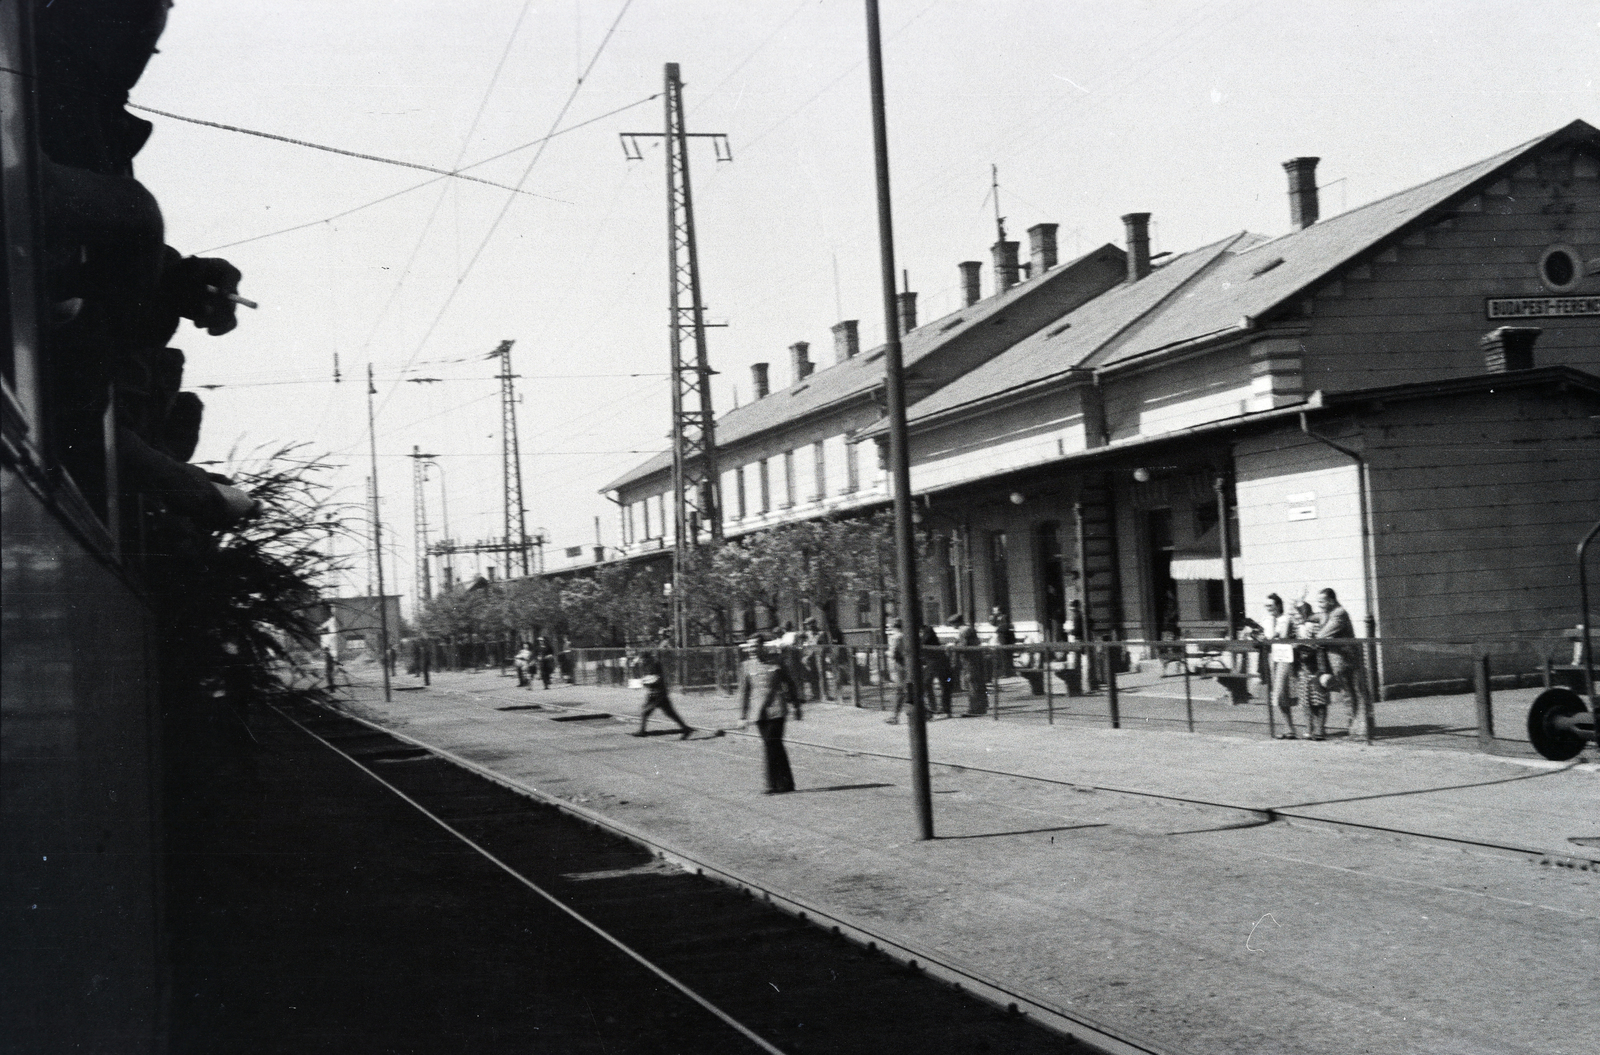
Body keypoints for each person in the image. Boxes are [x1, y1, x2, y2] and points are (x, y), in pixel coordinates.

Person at [739, 635, 801, 793]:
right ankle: (787, 784)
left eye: (755, 646)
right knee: (775, 745)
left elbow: (790, 683)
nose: (752, 650)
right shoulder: (746, 666)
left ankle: (771, 784)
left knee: (771, 745)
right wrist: (742, 716)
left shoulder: (777, 662)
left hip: (777, 710)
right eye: (750, 647)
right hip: (759, 714)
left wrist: (796, 705)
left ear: (762, 647)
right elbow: (744, 693)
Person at [1315, 588, 1373, 741]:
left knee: (1355, 693)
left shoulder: (1339, 613)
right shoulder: (1328, 614)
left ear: (1331, 600)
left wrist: (1318, 634)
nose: (1319, 604)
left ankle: (1362, 730)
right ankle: (1355, 729)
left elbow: (1322, 635)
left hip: (1348, 661)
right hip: (1338, 662)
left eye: (1322, 601)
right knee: (1348, 695)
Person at [1262, 594, 1299, 739]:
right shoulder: (1268, 620)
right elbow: (1267, 638)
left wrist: (1270, 625)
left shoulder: (1285, 619)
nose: (1268, 609)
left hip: (1285, 657)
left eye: (1270, 606)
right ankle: (1289, 729)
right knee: (1279, 695)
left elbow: (1277, 636)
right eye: (1266, 606)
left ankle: (1298, 729)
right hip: (1273, 657)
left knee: (1281, 692)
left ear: (1278, 605)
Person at [634, 650, 693, 739]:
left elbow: (656, 678)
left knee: (645, 711)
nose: (641, 661)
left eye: (642, 659)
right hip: (654, 692)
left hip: (658, 693)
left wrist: (643, 681)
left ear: (647, 658)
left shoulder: (654, 664)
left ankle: (642, 731)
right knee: (670, 713)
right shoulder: (649, 665)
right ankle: (685, 729)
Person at [1293, 601, 1329, 740]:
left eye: (1298, 613)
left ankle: (1320, 728)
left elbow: (1319, 644)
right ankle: (1309, 727)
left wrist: (1309, 648)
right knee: (1305, 698)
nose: (1296, 616)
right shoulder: (1297, 628)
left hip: (1316, 664)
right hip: (1303, 666)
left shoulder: (1314, 626)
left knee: (1318, 697)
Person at [950, 613, 988, 716]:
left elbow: (963, 646)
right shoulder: (969, 629)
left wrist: (953, 647)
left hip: (970, 661)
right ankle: (983, 706)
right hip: (975, 659)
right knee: (978, 683)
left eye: (953, 624)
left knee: (972, 684)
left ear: (957, 623)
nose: (952, 626)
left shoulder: (963, 631)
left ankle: (974, 709)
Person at [921, 623, 953, 718]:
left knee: (944, 683)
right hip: (932, 662)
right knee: (928, 683)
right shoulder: (924, 632)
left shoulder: (928, 631)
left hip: (937, 662)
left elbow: (924, 641)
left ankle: (944, 708)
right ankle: (935, 707)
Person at [885, 618, 909, 723]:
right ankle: (923, 712)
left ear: (894, 627)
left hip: (899, 665)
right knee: (908, 689)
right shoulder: (907, 636)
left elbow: (893, 653)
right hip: (907, 664)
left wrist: (887, 653)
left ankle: (895, 717)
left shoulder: (895, 637)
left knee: (900, 690)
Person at [991, 606, 1017, 676]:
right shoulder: (996, 618)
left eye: (995, 611)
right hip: (1000, 638)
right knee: (1002, 656)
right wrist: (994, 617)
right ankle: (1005, 671)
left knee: (1005, 655)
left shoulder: (1004, 617)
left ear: (999, 611)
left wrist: (998, 630)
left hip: (1005, 639)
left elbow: (1005, 626)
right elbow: (993, 624)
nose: (994, 612)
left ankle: (1007, 672)